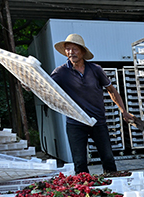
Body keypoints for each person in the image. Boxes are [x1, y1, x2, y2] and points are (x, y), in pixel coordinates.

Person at [50, 34, 135, 175]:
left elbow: (111, 90)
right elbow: (46, 85)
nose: (71, 52)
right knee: (80, 161)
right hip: (75, 122)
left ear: (82, 51)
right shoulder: (60, 72)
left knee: (108, 158)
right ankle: (85, 191)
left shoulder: (95, 70)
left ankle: (114, 185)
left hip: (98, 121)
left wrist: (123, 111)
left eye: (75, 49)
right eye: (68, 49)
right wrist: (30, 84)